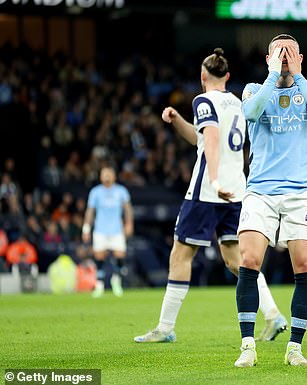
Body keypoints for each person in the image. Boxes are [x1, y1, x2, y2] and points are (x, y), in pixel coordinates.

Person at [134, 48, 286, 344]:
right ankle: (273, 315)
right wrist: (177, 120)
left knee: (180, 254)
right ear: (227, 76)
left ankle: (165, 328)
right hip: (237, 190)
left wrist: (214, 180)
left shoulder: (203, 100)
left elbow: (212, 140)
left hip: (208, 190)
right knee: (236, 259)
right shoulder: (238, 103)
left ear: (203, 76)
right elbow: (203, 139)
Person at [233, 34, 307, 368]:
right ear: (267, 59)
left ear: (301, 58)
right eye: (279, 53)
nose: (285, 57)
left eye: (290, 53)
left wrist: (298, 75)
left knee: (304, 264)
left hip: (301, 192)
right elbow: (250, 112)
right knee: (248, 259)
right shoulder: (253, 89)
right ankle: (248, 345)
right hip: (260, 190)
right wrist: (273, 76)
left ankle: (295, 347)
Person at [82, 166, 133, 297]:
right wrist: (86, 229)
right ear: (100, 176)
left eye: (109, 174)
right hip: (100, 230)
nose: (106, 176)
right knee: (99, 257)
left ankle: (116, 281)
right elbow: (90, 211)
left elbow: (128, 209)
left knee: (120, 255)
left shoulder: (121, 191)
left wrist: (129, 224)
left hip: (116, 230)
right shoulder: (95, 192)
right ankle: (99, 285)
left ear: (114, 176)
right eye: (104, 174)